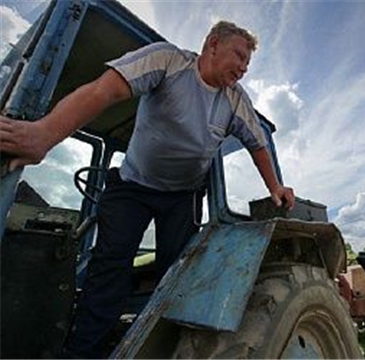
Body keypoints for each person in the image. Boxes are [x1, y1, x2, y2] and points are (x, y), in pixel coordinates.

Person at [0, 21, 295, 358]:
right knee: (109, 271)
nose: (243, 68)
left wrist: (275, 187)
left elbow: (257, 144)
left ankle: (172, 349)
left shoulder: (235, 100)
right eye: (239, 57)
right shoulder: (168, 61)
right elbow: (104, 90)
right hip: (131, 189)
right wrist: (44, 135)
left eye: (247, 63)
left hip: (182, 197)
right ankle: (82, 353)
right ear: (213, 44)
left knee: (179, 277)